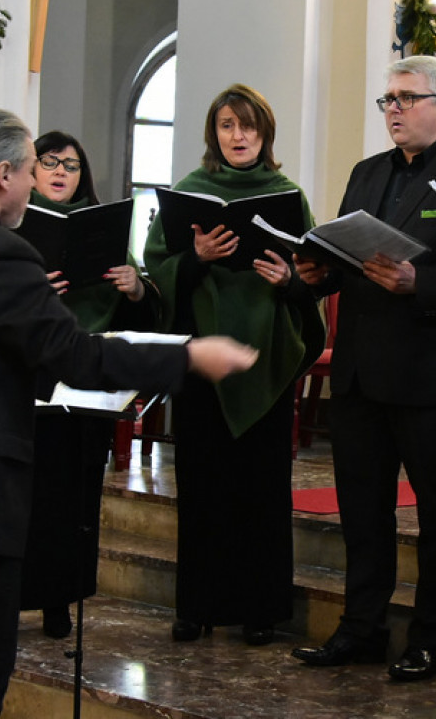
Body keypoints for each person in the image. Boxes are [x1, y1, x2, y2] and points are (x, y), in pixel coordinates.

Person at [0, 107, 257, 719]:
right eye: (28, 170)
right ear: (1, 174)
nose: (31, 184)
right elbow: (76, 355)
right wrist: (187, 357)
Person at [291, 55, 436, 681]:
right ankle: (360, 629)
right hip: (362, 369)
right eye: (387, 99)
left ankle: (430, 637)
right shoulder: (367, 174)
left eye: (406, 98)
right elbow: (344, 255)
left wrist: (422, 281)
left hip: (433, 372)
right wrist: (317, 273)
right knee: (362, 511)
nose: (393, 109)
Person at [144, 84, 324, 646]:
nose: (238, 136)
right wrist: (193, 260)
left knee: (260, 491)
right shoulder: (190, 193)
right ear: (213, 133)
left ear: (264, 133)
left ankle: (261, 611)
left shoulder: (287, 194)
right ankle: (195, 607)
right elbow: (156, 271)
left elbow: (314, 276)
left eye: (247, 126)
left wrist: (290, 280)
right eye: (226, 125)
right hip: (201, 360)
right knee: (201, 486)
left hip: (265, 358)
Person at [19, 131, 161, 639]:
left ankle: (60, 599)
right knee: (23, 496)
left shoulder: (105, 232)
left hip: (86, 381)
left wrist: (135, 287)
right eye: (50, 161)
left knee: (74, 497)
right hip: (27, 380)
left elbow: (142, 318)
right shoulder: (10, 227)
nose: (60, 171)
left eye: (72, 165)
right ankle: (12, 596)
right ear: (30, 169)